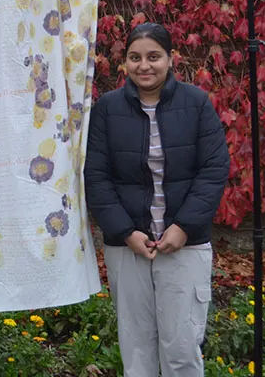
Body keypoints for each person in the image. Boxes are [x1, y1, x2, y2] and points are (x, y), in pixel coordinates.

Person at [84, 23, 229, 377]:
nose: (144, 66)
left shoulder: (195, 103)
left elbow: (214, 169)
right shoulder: (107, 108)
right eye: (135, 58)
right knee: (137, 353)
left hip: (184, 246)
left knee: (181, 351)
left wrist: (184, 227)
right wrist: (124, 232)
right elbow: (96, 176)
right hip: (129, 247)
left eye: (153, 57)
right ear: (125, 63)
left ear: (170, 59)